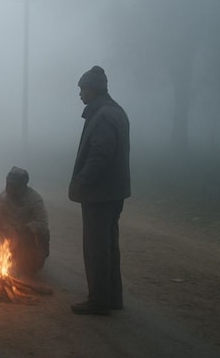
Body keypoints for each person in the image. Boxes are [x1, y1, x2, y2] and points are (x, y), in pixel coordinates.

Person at [69, 65, 131, 316]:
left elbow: (100, 155)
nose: (80, 94)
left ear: (93, 89)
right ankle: (112, 297)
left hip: (100, 194)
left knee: (96, 248)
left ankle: (98, 300)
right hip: (113, 193)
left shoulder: (103, 115)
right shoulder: (115, 111)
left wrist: (82, 180)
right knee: (108, 246)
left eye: (82, 89)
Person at [0, 166, 50, 276]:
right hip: (6, 236)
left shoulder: (34, 199)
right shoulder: (3, 197)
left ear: (23, 186)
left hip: (25, 238)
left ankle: (25, 263)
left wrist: (23, 230)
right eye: (8, 184)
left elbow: (42, 224)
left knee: (28, 269)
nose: (9, 188)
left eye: (13, 185)